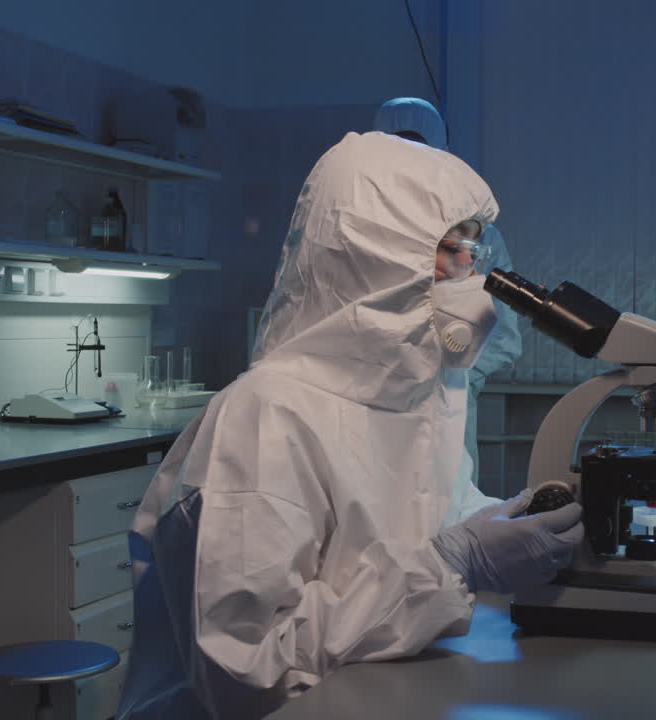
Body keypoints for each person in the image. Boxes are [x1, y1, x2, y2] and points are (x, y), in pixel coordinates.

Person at [117, 131, 584, 720]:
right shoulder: (265, 418)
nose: (468, 269)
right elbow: (244, 671)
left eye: (472, 248)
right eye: (447, 247)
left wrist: (513, 525)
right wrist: (456, 563)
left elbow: (435, 522)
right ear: (370, 253)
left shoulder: (428, 392)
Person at [373, 97, 523, 497]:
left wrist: (451, 372)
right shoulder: (362, 225)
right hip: (369, 398)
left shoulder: (478, 235)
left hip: (444, 403)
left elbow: (505, 338)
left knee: (442, 510)